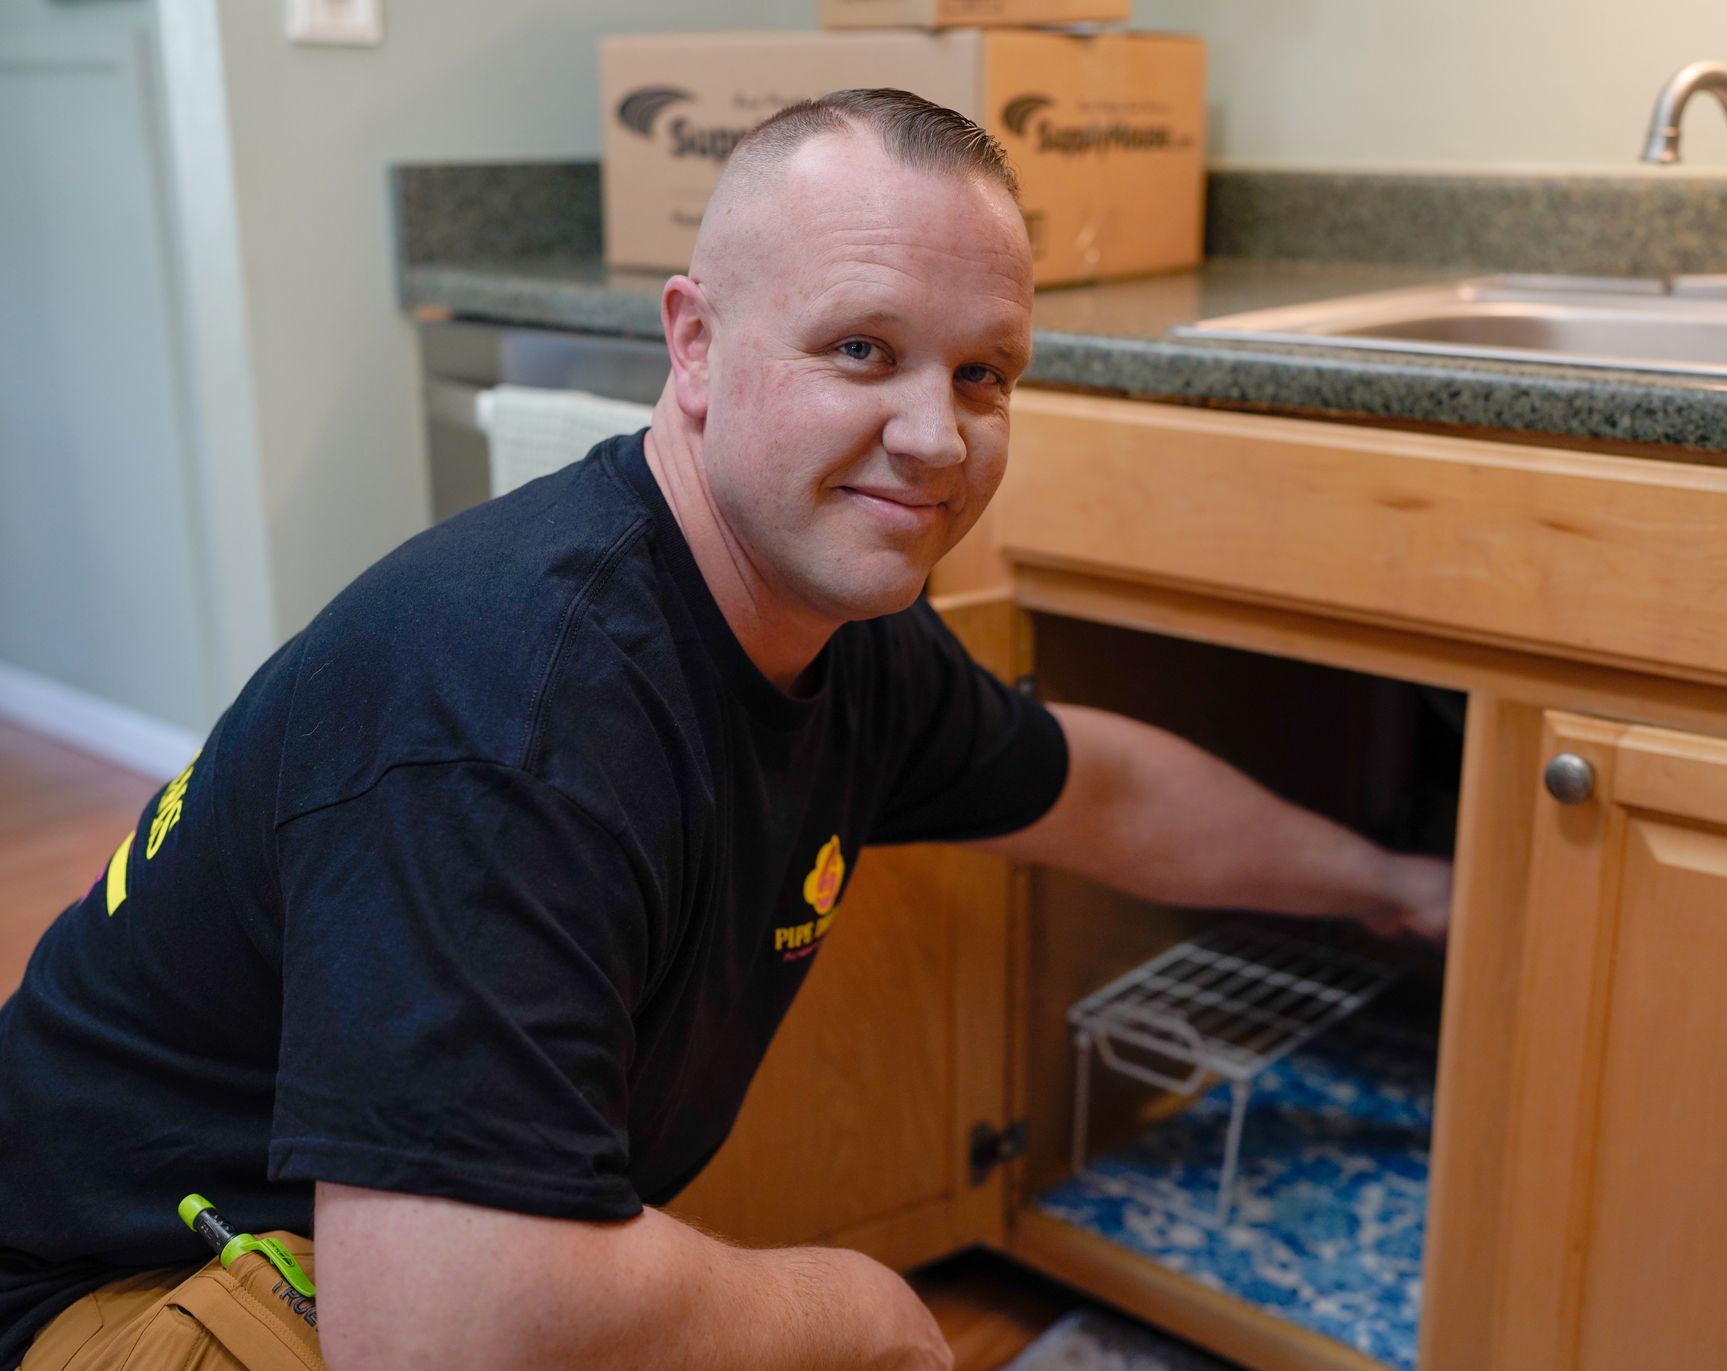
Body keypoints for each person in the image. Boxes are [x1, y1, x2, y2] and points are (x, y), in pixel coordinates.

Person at [0, 90, 1450, 1370]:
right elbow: (447, 1336)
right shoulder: (516, 704)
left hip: (347, 1265)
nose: (937, 437)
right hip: (116, 1296)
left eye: (983, 372)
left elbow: (1100, 789)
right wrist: (860, 1311)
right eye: (862, 349)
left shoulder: (844, 635)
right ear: (693, 344)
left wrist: (1396, 891)